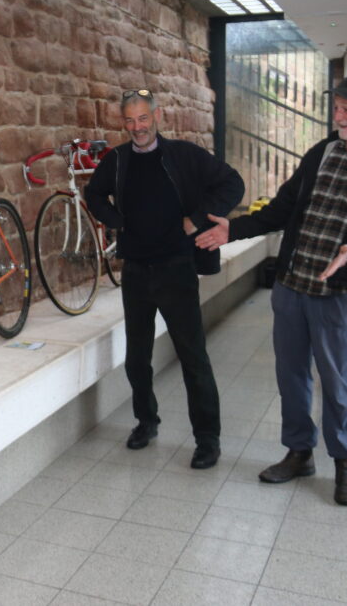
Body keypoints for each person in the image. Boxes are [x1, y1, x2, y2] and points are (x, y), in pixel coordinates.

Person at [196, 74, 347, 505]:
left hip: (340, 288)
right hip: (293, 282)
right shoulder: (322, 152)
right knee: (290, 373)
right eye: (337, 107)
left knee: (337, 379)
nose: (340, 115)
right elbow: (283, 207)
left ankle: (345, 461)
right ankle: (298, 452)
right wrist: (233, 229)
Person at [84, 89, 244, 469]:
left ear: (158, 117)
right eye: (129, 120)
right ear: (123, 123)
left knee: (193, 356)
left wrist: (200, 218)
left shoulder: (184, 155)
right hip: (137, 271)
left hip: (177, 268)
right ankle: (146, 421)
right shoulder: (118, 160)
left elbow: (232, 183)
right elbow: (93, 194)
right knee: (137, 358)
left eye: (143, 119)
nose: (137, 127)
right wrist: (117, 222)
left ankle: (207, 439)